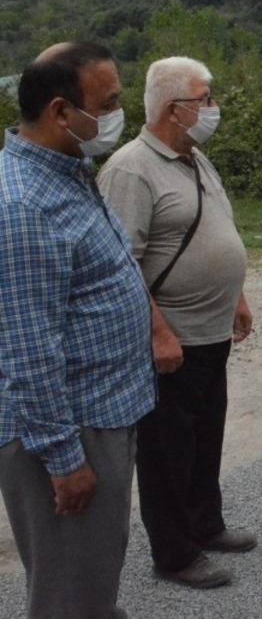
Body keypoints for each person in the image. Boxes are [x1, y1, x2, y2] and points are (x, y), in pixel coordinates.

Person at [0, 42, 155, 619]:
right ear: (62, 112)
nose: (119, 115)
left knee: (90, 573)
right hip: (68, 430)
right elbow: (27, 349)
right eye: (109, 102)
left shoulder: (68, 172)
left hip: (103, 412)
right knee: (68, 592)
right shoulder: (23, 207)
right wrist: (64, 461)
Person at [97, 56, 256, 589]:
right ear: (173, 109)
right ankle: (174, 553)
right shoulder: (129, 168)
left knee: (205, 437)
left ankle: (205, 525)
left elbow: (218, 229)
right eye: (205, 99)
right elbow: (120, 264)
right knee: (166, 451)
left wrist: (237, 296)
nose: (213, 108)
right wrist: (157, 333)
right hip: (172, 340)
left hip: (211, 333)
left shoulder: (195, 159)